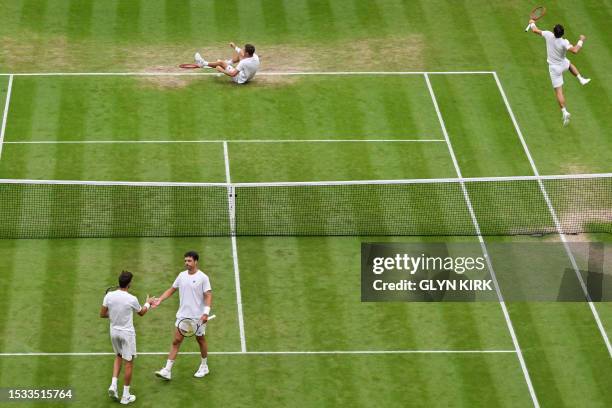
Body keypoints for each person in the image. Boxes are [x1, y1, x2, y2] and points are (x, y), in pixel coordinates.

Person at [153, 251, 213, 380]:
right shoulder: (181, 275)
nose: (187, 263)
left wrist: (206, 313)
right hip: (183, 316)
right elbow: (172, 289)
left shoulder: (203, 277)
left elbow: (208, 295)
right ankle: (167, 370)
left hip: (197, 317)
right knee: (176, 341)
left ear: (196, 261)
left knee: (200, 340)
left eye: (189, 261)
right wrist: (160, 299)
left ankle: (204, 366)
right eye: (185, 261)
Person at [100, 271, 153, 405]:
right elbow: (141, 313)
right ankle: (125, 396)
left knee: (118, 356)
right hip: (127, 335)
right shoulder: (132, 298)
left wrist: (114, 314)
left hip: (114, 332)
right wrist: (148, 303)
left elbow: (102, 314)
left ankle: (113, 385)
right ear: (129, 284)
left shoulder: (109, 296)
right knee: (128, 363)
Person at [528, 21, 590, 126]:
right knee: (569, 64)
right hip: (562, 63)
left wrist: (532, 23)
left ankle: (564, 112)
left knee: (559, 92)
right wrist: (581, 40)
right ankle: (580, 79)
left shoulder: (548, 34)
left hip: (554, 68)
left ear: (554, 31)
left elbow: (534, 30)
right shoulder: (564, 42)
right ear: (562, 33)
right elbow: (575, 50)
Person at [194, 42, 260, 84]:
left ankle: (203, 63)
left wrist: (221, 70)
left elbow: (233, 74)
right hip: (249, 77)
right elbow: (241, 53)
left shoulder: (243, 62)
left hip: (239, 79)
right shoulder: (255, 57)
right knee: (240, 55)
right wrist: (235, 47)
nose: (242, 50)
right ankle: (227, 63)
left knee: (221, 63)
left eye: (244, 50)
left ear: (247, 53)